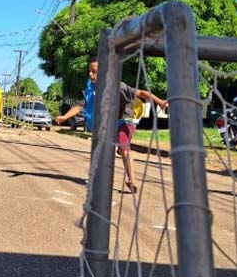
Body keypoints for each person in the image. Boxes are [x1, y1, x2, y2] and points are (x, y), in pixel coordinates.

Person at [55, 58, 167, 193]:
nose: (90, 74)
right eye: (89, 71)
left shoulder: (118, 86)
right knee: (101, 149)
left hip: (124, 120)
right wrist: (65, 117)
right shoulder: (91, 89)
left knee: (124, 147)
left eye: (94, 71)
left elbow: (141, 93)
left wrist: (160, 102)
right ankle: (98, 177)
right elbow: (80, 105)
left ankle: (132, 181)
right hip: (107, 124)